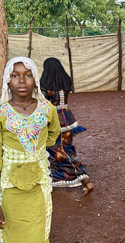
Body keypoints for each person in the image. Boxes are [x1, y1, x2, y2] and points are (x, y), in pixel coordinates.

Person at [0, 57, 60, 242]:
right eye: (15, 75)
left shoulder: (47, 109)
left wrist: (37, 149)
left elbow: (54, 133)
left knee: (39, 233)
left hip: (39, 187)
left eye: (27, 75)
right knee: (13, 234)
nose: (22, 80)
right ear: (8, 80)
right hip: (9, 191)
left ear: (35, 79)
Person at [40, 57, 94, 195]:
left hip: (53, 120)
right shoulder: (66, 81)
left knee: (58, 151)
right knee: (65, 149)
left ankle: (82, 177)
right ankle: (58, 178)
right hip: (67, 118)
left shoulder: (45, 86)